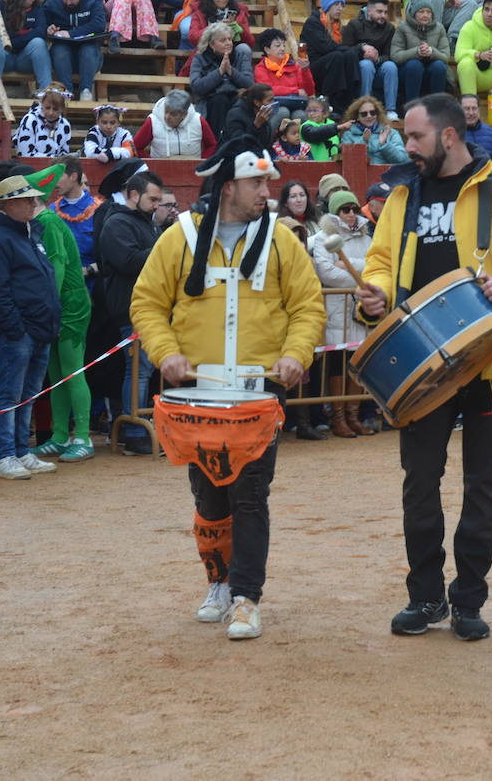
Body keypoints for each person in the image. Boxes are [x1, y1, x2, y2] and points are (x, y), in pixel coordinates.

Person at [355, 93, 492, 641]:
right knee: (419, 482)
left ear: (448, 137)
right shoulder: (403, 192)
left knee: (482, 484)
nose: (408, 146)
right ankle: (425, 597)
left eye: (416, 137)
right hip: (419, 366)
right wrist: (372, 294)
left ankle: (468, 598)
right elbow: (379, 261)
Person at [131, 139, 325, 642]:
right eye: (257, 182)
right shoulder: (180, 237)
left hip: (259, 395)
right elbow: (148, 303)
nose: (268, 190)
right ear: (229, 186)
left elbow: (307, 307)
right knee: (209, 495)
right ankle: (217, 581)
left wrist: (296, 354)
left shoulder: (283, 239)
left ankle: (246, 597)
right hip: (198, 394)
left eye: (268, 181)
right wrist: (164, 350)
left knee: (251, 495)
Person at [0, 174, 61, 480]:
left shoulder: (25, 234)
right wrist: (15, 328)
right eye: (27, 200)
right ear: (9, 205)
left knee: (27, 393)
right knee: (10, 394)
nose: (34, 204)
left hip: (35, 328)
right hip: (21, 331)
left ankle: (20, 451)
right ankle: (6, 454)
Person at [21, 165, 96, 464]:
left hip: (69, 306)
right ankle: (60, 435)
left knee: (72, 370)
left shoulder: (48, 222)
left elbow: (59, 268)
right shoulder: (42, 220)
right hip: (56, 305)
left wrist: (48, 307)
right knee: (56, 374)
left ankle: (84, 437)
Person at [97, 166, 164, 456]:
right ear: (133, 195)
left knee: (142, 369)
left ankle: (136, 425)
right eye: (153, 200)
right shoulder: (117, 224)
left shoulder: (142, 222)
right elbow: (127, 261)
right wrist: (165, 248)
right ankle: (134, 430)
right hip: (129, 306)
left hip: (145, 306)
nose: (156, 206)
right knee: (138, 369)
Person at [311, 190, 375, 438]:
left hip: (359, 309)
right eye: (345, 209)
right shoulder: (323, 237)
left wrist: (350, 266)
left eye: (354, 208)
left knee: (357, 361)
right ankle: (338, 417)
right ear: (335, 212)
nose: (350, 214)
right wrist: (359, 275)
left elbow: (375, 266)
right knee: (337, 362)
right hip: (337, 307)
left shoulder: (366, 237)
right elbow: (326, 272)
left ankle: (353, 415)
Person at [300, 0, 363, 119]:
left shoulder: (336, 25)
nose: (340, 8)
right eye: (336, 4)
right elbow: (326, 47)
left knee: (350, 55)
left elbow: (341, 49)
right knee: (338, 56)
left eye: (342, 5)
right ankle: (330, 102)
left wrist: (356, 50)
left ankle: (352, 101)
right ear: (327, 5)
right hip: (312, 67)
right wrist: (359, 49)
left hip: (332, 66)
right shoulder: (313, 22)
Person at [42, 0, 107, 101]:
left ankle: (85, 91)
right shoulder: (52, 4)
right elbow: (41, 24)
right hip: (62, 54)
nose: (68, 2)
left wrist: (71, 33)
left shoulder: (93, 0)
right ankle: (67, 92)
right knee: (60, 51)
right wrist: (49, 29)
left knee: (88, 50)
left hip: (90, 54)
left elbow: (99, 24)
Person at [0, 0, 54, 94]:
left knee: (38, 43)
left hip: (25, 59)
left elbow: (41, 31)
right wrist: (27, 35)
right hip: (4, 57)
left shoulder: (36, 6)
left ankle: (46, 91)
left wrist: (12, 41)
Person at [189, 22, 255, 135]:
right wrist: (219, 72)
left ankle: (238, 143)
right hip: (211, 100)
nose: (228, 43)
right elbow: (197, 86)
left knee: (239, 102)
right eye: (223, 40)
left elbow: (250, 84)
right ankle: (218, 145)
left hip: (236, 96)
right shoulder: (200, 58)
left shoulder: (240, 56)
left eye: (229, 39)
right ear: (211, 45)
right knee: (220, 100)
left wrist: (231, 71)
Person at [343, 0, 401, 121]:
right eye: (379, 11)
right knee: (366, 64)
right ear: (369, 11)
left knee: (390, 66)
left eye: (385, 12)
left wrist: (377, 59)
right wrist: (362, 47)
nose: (383, 15)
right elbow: (344, 50)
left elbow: (390, 55)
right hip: (358, 72)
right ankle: (364, 107)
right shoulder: (354, 25)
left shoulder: (389, 28)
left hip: (379, 69)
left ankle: (391, 110)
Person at [186, 0, 256, 54]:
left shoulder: (238, 11)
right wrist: (214, 28)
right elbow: (193, 38)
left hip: (232, 52)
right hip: (209, 51)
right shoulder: (201, 11)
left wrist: (240, 31)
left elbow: (251, 42)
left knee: (244, 49)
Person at [253, 28, 316, 121]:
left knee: (301, 115)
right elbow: (268, 90)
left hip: (296, 105)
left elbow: (309, 92)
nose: (282, 48)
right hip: (272, 105)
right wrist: (295, 91)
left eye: (283, 45)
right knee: (283, 112)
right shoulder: (261, 68)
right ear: (267, 50)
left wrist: (305, 70)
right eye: (278, 46)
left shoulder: (293, 65)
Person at [134, 90, 218, 159]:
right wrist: (152, 164)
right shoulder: (152, 121)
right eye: (166, 111)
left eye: (173, 114)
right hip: (160, 171)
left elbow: (212, 145)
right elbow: (135, 147)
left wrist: (201, 163)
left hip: (192, 171)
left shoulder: (198, 121)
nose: (167, 117)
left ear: (184, 114)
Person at [340, 95, 409, 164]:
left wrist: (385, 144)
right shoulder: (348, 135)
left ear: (377, 114)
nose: (369, 116)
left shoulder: (391, 133)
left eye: (372, 113)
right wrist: (363, 142)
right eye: (364, 114)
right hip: (359, 174)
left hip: (387, 174)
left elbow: (402, 160)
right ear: (357, 117)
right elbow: (349, 162)